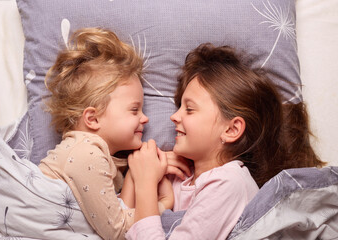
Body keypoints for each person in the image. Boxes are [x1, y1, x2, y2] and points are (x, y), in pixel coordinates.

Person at [125, 44, 324, 240]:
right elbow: (116, 223)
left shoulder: (229, 183)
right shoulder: (178, 177)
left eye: (190, 109)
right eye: (179, 106)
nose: (174, 116)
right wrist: (137, 174)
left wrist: (145, 184)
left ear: (231, 130)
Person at [38, 27, 174, 240]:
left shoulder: (97, 155)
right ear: (92, 119)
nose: (145, 118)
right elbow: (118, 231)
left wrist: (135, 175)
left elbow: (116, 212)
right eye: (134, 109)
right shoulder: (85, 154)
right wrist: (164, 203)